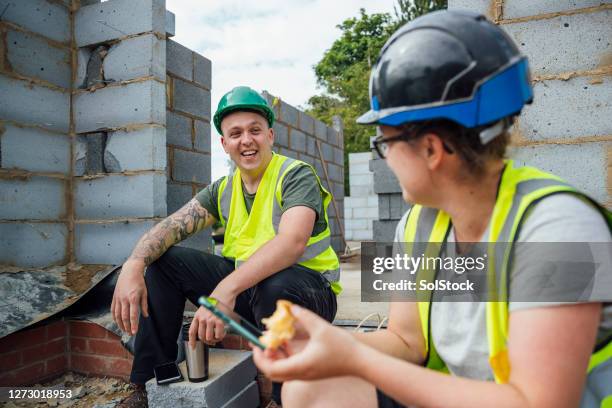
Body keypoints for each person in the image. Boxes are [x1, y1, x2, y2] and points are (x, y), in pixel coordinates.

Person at [253, 10, 612, 408]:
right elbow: (407, 341)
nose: (385, 158)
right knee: (311, 387)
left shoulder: (558, 230)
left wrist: (353, 358)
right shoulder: (420, 224)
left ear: (431, 149)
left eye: (384, 142)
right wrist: (326, 343)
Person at [112, 86, 341, 407]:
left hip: (307, 295)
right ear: (224, 143)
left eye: (255, 131)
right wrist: (134, 264)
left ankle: (284, 396)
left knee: (275, 283)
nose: (246, 140)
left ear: (270, 136)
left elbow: (292, 243)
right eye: (235, 133)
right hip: (251, 293)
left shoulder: (295, 175)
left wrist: (224, 293)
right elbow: (171, 228)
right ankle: (149, 380)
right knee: (165, 261)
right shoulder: (223, 189)